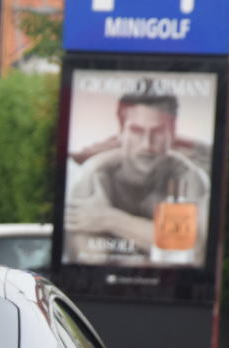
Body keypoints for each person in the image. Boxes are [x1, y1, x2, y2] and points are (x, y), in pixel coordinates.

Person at [65, 80, 210, 265]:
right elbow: (91, 259)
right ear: (121, 130)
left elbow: (191, 248)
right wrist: (154, 240)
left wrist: (109, 219)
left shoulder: (188, 176)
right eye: (137, 131)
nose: (146, 144)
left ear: (172, 132)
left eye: (157, 132)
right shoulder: (93, 174)